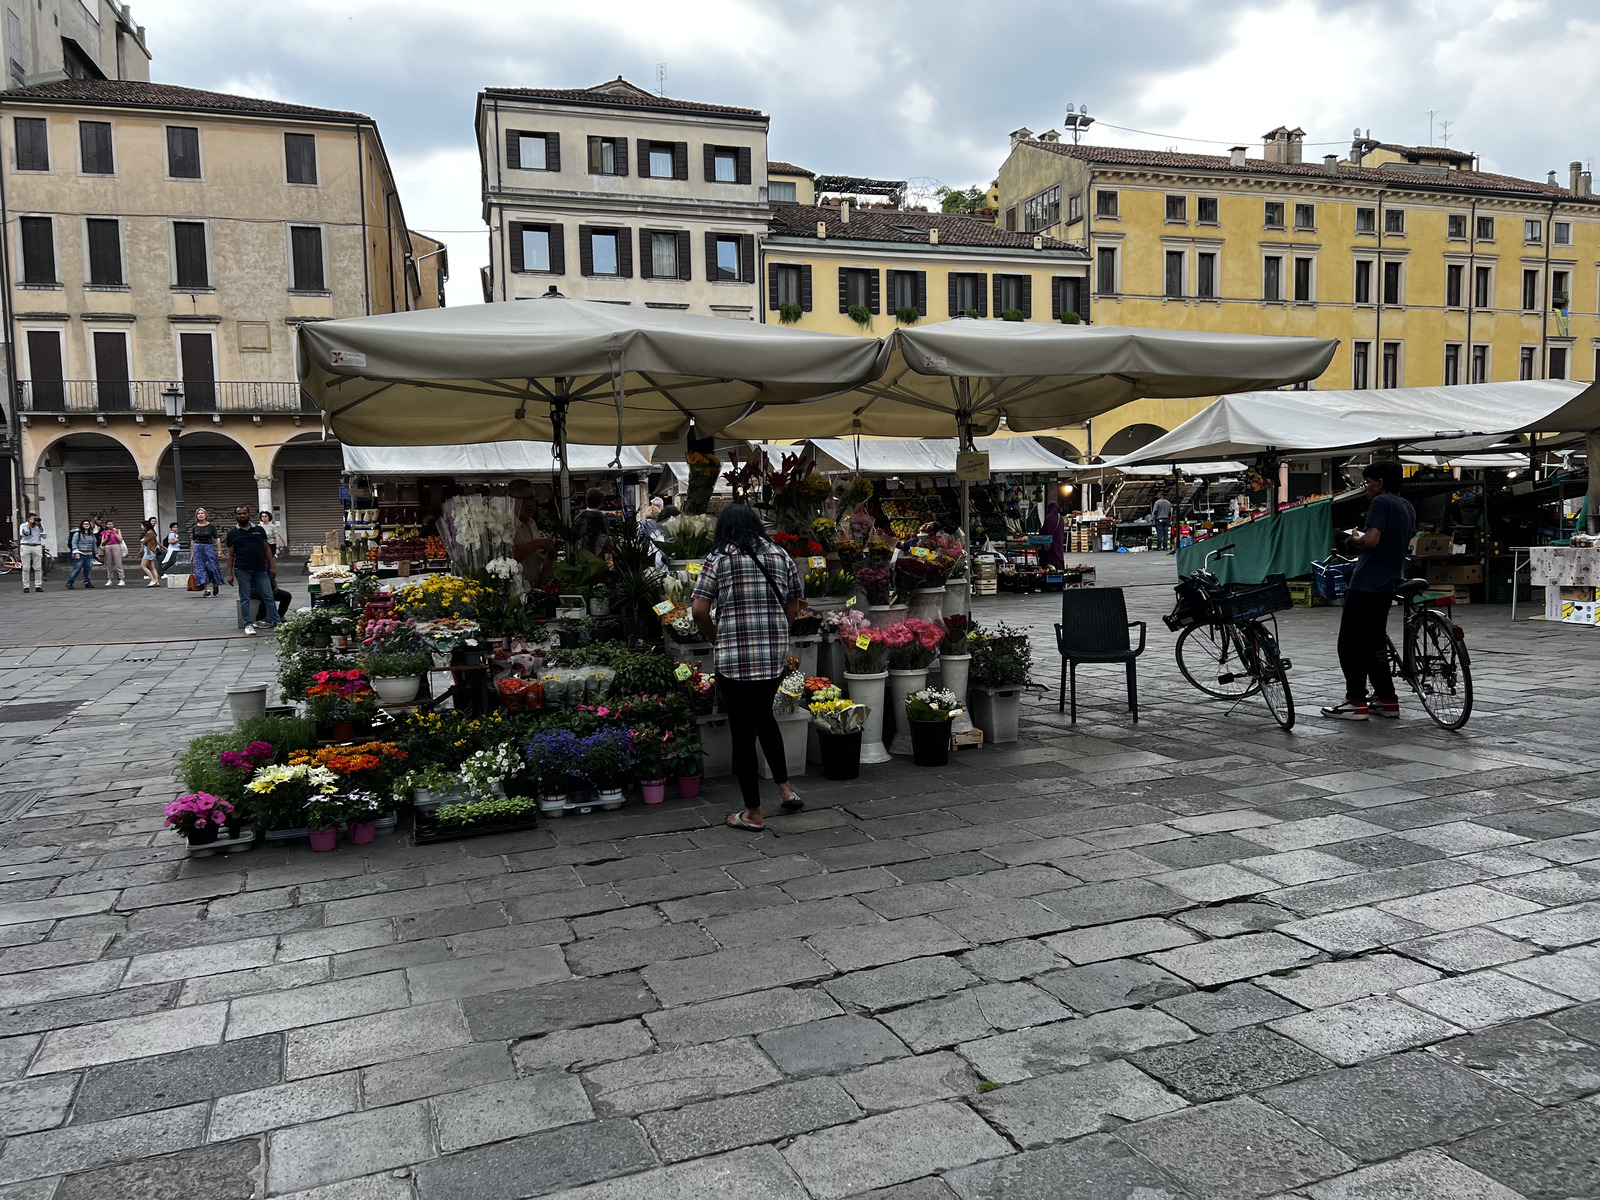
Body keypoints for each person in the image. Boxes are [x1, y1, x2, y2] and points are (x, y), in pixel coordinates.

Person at [691, 504, 803, 831]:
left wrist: (715, 637)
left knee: (742, 731)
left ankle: (753, 813)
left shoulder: (719, 558)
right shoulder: (780, 555)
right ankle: (785, 790)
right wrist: (779, 630)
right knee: (765, 717)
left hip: (734, 658)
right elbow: (794, 603)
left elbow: (699, 611)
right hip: (771, 658)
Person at [1322, 460, 1416, 721]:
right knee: (1375, 642)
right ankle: (1387, 699)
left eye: (1368, 482)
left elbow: (1372, 540)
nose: (1366, 488)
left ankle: (1356, 701)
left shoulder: (1381, 503)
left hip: (1366, 583)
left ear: (1380, 483)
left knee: (1351, 643)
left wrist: (1354, 539)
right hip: (1387, 582)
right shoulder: (1406, 506)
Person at [224, 504, 279, 635]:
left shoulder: (259, 530)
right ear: (236, 516)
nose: (242, 516)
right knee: (245, 598)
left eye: (244, 513)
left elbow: (266, 549)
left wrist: (272, 566)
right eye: (239, 514)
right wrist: (229, 574)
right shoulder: (232, 534)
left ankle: (277, 622)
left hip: (260, 569)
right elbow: (230, 555)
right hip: (242, 570)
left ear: (249, 515)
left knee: (268, 596)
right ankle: (248, 624)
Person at [508, 478, 554, 589]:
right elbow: (510, 555)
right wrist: (537, 544)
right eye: (524, 499)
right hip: (516, 590)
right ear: (510, 500)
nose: (530, 504)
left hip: (535, 587)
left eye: (533, 498)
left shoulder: (531, 522)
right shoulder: (505, 525)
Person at [190, 508, 224, 597]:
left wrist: (219, 551)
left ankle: (215, 584)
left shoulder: (211, 526)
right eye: (198, 513)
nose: (200, 515)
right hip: (198, 548)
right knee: (200, 570)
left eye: (202, 513)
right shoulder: (195, 527)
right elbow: (193, 540)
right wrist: (192, 553)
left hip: (208, 547)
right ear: (196, 516)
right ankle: (207, 590)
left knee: (212, 568)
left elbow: (217, 538)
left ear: (205, 515)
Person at [575, 488, 611, 558]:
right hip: (597, 557)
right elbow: (605, 537)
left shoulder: (579, 517)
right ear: (600, 503)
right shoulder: (602, 518)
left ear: (586, 500)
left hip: (581, 556)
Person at [18, 513, 47, 592]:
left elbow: (45, 536)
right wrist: (29, 525)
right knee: (26, 568)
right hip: (25, 546)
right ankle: (26, 586)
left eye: (35, 518)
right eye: (32, 518)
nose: (34, 520)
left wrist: (40, 527)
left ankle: (38, 585)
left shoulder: (38, 526)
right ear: (28, 519)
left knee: (38, 567)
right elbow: (24, 533)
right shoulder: (23, 525)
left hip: (37, 546)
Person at [65, 519, 97, 589]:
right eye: (85, 524)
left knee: (88, 569)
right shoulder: (77, 534)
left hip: (89, 554)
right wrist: (76, 552)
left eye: (88, 524)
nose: (86, 525)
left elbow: (94, 544)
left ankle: (87, 582)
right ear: (82, 525)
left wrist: (96, 553)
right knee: (76, 569)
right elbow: (74, 543)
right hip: (80, 554)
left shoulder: (91, 534)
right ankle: (70, 583)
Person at [98, 516, 127, 586]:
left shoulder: (117, 530)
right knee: (109, 564)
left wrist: (115, 533)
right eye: (109, 524)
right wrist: (107, 538)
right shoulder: (104, 532)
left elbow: (120, 540)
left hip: (116, 546)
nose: (110, 525)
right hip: (107, 547)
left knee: (118, 563)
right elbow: (102, 542)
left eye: (111, 524)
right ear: (106, 525)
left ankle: (121, 579)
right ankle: (110, 579)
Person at [1041, 501, 1065, 570]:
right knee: (1058, 559)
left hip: (1051, 545)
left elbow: (1044, 532)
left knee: (1050, 561)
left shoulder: (1049, 518)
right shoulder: (1061, 518)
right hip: (1059, 544)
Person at [138, 519, 162, 587]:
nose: (141, 527)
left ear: (145, 526)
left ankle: (152, 580)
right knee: (152, 567)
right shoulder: (151, 532)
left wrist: (142, 546)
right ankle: (156, 581)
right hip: (150, 550)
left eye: (142, 526)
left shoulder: (149, 533)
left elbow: (144, 542)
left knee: (143, 566)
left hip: (149, 551)